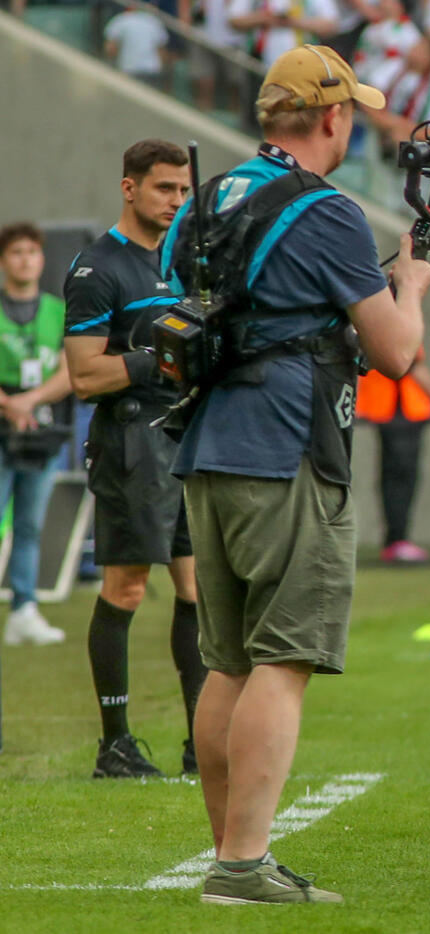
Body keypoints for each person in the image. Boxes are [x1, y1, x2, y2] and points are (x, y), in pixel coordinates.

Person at [162, 44, 430, 904]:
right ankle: (243, 865)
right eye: (352, 109)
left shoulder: (209, 195)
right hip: (285, 449)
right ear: (333, 116)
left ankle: (232, 854)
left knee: (228, 662)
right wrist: (414, 284)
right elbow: (394, 351)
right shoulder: (329, 210)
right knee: (284, 658)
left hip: (206, 443)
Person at [63, 140, 203, 780]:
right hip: (129, 442)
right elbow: (86, 376)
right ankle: (114, 745)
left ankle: (203, 742)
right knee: (127, 587)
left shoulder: (186, 262)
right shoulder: (97, 269)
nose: (176, 201)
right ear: (129, 188)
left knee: (199, 588)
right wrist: (166, 356)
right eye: (163, 189)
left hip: (186, 438)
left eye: (182, 190)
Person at [0, 223, 71, 647]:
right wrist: (10, 406)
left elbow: (70, 372)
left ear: (42, 259)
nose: (24, 259)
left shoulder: (58, 311)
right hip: (1, 428)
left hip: (41, 433)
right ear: (5, 260)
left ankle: (24, 609)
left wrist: (30, 402)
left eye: (31, 251)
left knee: (29, 525)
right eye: (16, 252)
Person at [356, 355, 430, 563]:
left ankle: (396, 540)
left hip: (401, 407)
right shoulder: (396, 323)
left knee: (396, 475)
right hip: (398, 409)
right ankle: (397, 540)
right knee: (400, 476)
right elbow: (407, 362)